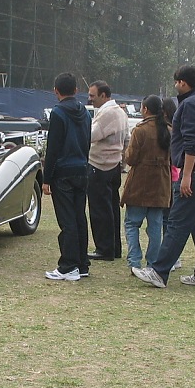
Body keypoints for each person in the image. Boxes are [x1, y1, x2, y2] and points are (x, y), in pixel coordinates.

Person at [132, 65, 195, 288]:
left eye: (176, 82)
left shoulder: (191, 104)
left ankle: (159, 271)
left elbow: (193, 142)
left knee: (178, 221)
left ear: (182, 82)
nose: (175, 86)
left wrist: (187, 175)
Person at [43, 72, 92, 281]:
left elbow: (53, 148)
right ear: (76, 90)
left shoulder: (58, 114)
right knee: (79, 217)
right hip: (82, 168)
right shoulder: (86, 113)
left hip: (63, 173)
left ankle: (68, 266)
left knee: (67, 220)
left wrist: (46, 178)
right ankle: (82, 264)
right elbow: (88, 141)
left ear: (56, 91)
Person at [120, 95, 171, 272]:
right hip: (161, 184)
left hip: (140, 183)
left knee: (132, 223)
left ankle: (134, 262)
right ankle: (153, 263)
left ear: (145, 109)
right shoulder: (169, 130)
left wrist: (126, 153)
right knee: (155, 226)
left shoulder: (140, 130)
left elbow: (131, 158)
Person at [86, 80, 129, 261]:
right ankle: (113, 247)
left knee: (99, 210)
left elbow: (91, 135)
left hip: (99, 166)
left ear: (103, 95)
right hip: (115, 166)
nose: (90, 99)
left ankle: (104, 249)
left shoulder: (106, 114)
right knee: (111, 209)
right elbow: (127, 139)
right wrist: (123, 162)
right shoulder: (120, 113)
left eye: (92, 96)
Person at [161, 97, 183, 270]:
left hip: (170, 177)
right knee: (169, 219)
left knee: (167, 219)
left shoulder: (167, 131)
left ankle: (171, 257)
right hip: (175, 176)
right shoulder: (175, 129)